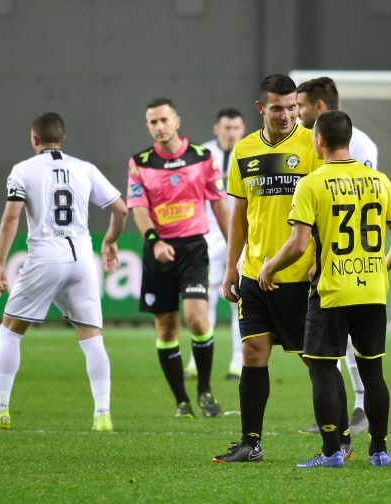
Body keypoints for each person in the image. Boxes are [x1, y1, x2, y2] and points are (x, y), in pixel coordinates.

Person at [258, 110, 391, 467]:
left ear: (320, 140)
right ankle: (379, 450)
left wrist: (269, 266)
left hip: (332, 291)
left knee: (323, 367)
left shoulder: (312, 183)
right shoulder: (379, 180)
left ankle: (331, 452)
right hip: (371, 290)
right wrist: (380, 267)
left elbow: (298, 245)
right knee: (372, 370)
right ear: (349, 138)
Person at [0, 112, 128, 432]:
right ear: (63, 139)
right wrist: (110, 240)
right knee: (92, 338)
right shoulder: (85, 168)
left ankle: (0, 409)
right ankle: (103, 414)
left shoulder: (23, 170)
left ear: (34, 140)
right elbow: (121, 209)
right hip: (82, 259)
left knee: (10, 330)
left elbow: (11, 218)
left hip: (45, 257)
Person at [211, 74, 325, 463]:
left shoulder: (312, 144)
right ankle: (250, 443)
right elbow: (239, 215)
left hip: (299, 274)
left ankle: (337, 440)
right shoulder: (243, 150)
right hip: (255, 272)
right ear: (261, 108)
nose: (286, 115)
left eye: (292, 107)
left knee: (315, 359)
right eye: (277, 108)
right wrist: (231, 267)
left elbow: (325, 208)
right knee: (253, 352)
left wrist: (319, 258)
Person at [126, 98, 229, 419]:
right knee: (166, 329)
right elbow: (138, 208)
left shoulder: (203, 157)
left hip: (193, 248)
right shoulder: (140, 162)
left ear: (177, 121)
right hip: (158, 251)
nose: (159, 126)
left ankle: (205, 391)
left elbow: (219, 205)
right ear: (148, 126)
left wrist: (236, 250)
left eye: (164, 120)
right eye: (153, 122)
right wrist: (154, 241)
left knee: (197, 318)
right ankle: (181, 401)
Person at [296, 76, 378, 434]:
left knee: (350, 343)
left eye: (300, 106)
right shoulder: (312, 144)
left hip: (347, 260)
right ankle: (342, 416)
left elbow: (356, 206)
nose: (296, 113)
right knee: (334, 345)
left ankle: (360, 408)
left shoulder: (359, 146)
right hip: (330, 258)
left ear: (319, 107)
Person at [184, 108, 246, 381]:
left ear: (242, 130)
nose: (231, 133)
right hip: (209, 237)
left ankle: (238, 361)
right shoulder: (202, 155)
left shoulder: (250, 153)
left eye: (236, 128)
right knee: (203, 299)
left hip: (241, 238)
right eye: (226, 128)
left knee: (239, 301)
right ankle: (197, 360)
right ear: (216, 129)